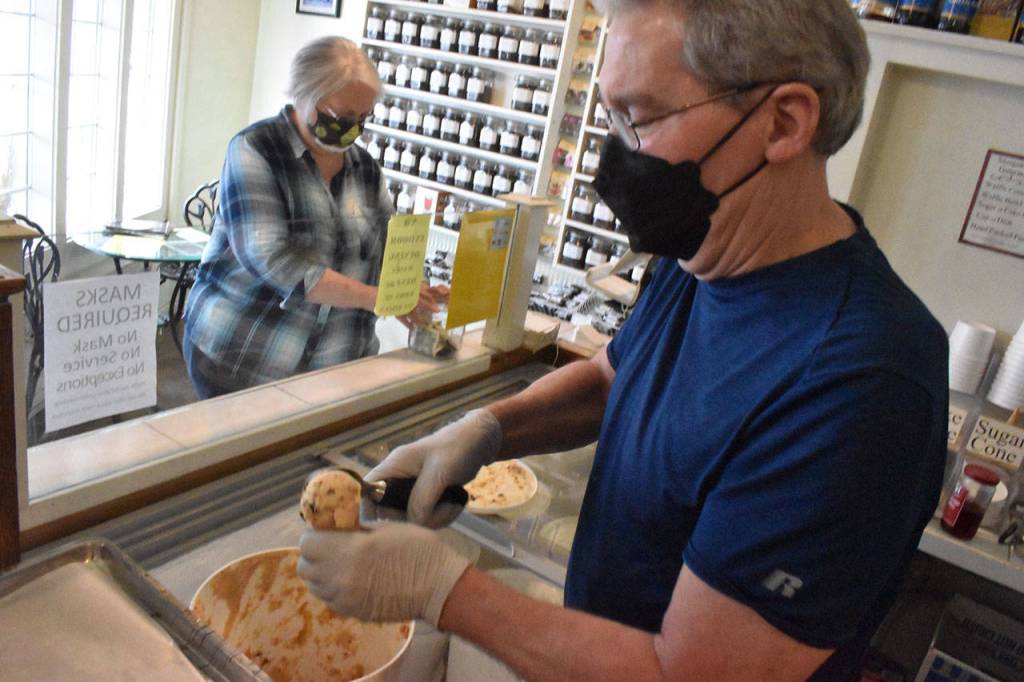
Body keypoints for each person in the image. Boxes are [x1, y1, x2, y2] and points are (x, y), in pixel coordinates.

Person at [297, 1, 949, 678]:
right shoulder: (703, 253)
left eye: (639, 117)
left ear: (783, 122)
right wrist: (486, 431)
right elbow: (616, 376)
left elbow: (687, 675)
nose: (613, 157)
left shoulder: (861, 382)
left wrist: (442, 591)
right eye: (608, 116)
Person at [183, 37, 440, 398]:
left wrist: (413, 291)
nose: (353, 129)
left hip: (333, 368)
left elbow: (389, 250)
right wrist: (377, 298)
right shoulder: (255, 150)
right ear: (304, 94)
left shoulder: (365, 170)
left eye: (363, 118)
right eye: (342, 117)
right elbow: (276, 262)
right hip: (245, 358)